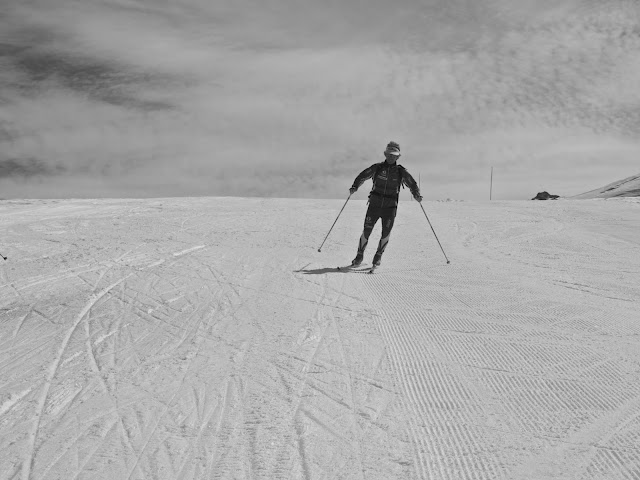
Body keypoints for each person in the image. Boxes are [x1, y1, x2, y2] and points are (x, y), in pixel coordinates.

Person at [349, 141, 422, 267]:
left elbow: (412, 183)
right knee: (366, 231)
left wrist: (416, 194)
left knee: (385, 233)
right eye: (389, 154)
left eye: (394, 155)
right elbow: (363, 176)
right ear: (385, 154)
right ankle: (359, 256)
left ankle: (378, 256)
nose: (391, 157)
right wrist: (355, 186)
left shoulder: (400, 172)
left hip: (390, 208)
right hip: (374, 205)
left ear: (398, 157)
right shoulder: (377, 168)